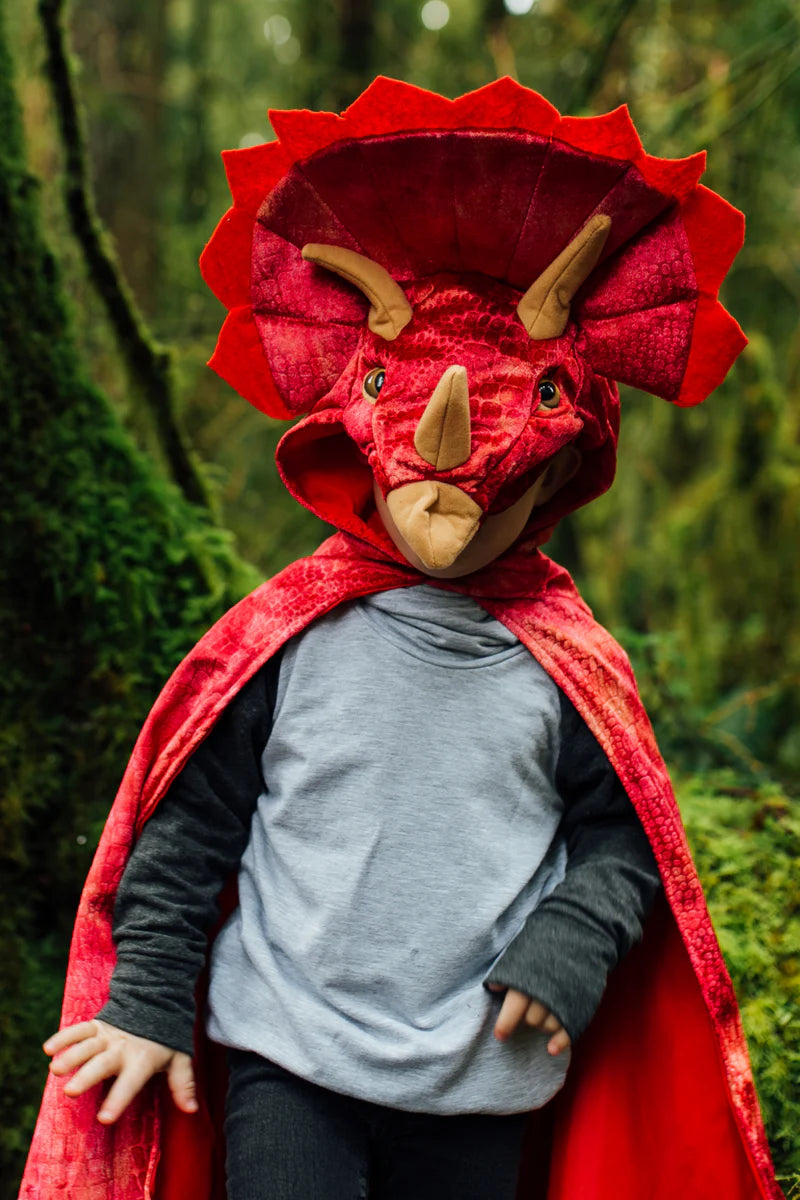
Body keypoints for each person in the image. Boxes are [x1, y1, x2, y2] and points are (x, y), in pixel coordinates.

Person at [24, 77, 781, 1200]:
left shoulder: (561, 662)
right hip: (287, 1059)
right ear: (355, 435)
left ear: (563, 468)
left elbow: (624, 844)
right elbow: (189, 826)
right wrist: (144, 1000)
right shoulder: (289, 636)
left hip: (480, 1079)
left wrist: (572, 938)